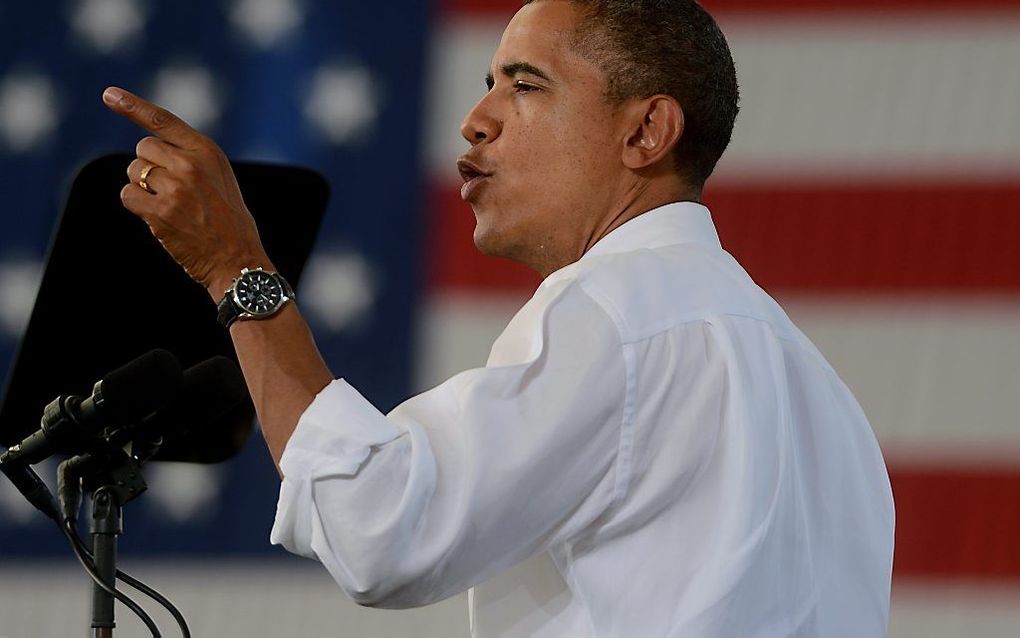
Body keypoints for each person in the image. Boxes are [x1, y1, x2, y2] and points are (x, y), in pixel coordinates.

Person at [103, 0, 895, 635]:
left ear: (646, 131)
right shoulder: (822, 392)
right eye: (489, 80)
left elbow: (377, 527)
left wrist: (237, 269)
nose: (475, 120)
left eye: (524, 84)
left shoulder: (615, 310)